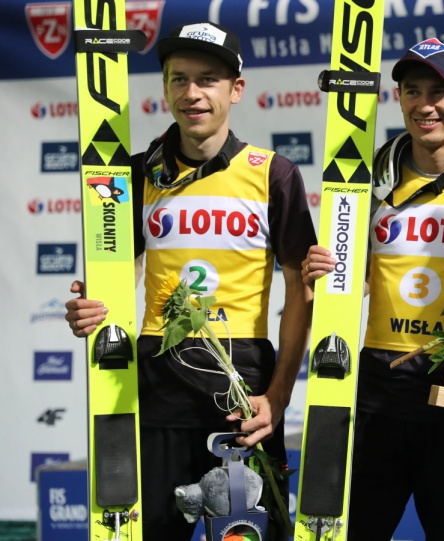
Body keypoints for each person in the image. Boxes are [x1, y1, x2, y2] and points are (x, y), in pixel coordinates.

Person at [64, 22, 315, 540]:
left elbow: (301, 293)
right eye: (179, 80)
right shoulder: (133, 174)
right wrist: (92, 306)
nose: (192, 93)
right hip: (156, 388)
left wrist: (281, 394)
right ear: (164, 88)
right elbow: (116, 276)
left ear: (235, 90)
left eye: (207, 80)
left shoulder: (275, 174)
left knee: (252, 533)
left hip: (242, 391)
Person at [303, 39, 444, 540]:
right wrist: (320, 278)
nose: (425, 105)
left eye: (440, 92)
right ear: (399, 99)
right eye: (412, 91)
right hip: (379, 393)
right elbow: (345, 286)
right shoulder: (366, 187)